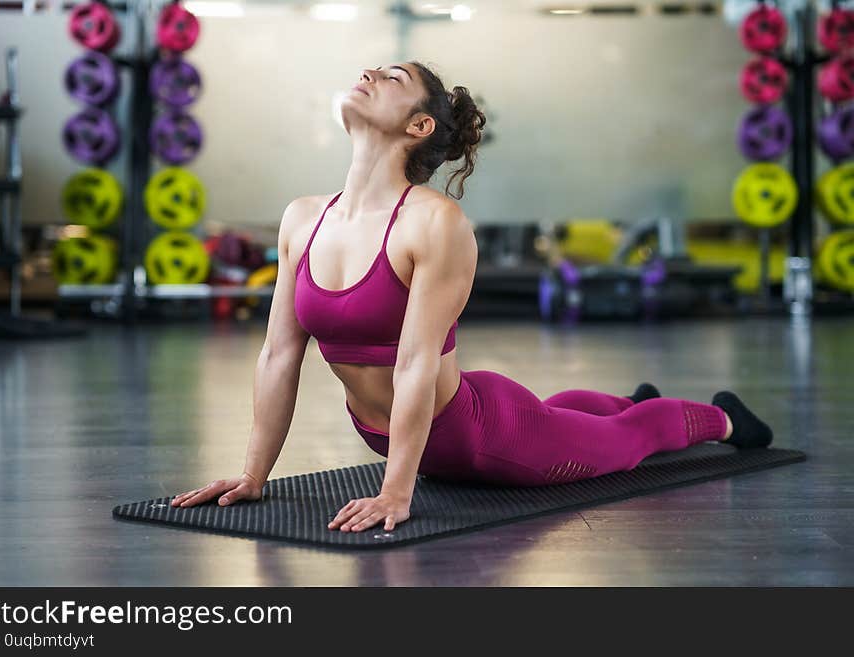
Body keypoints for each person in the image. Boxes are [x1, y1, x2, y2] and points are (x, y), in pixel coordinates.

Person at [171, 61, 773, 533]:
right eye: (373, 70)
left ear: (420, 126)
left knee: (629, 441)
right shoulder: (302, 219)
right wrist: (253, 474)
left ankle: (722, 419)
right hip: (393, 431)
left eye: (393, 77)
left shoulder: (434, 223)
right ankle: (618, 400)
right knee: (556, 414)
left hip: (482, 438)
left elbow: (414, 363)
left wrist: (396, 492)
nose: (370, 74)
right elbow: (279, 355)